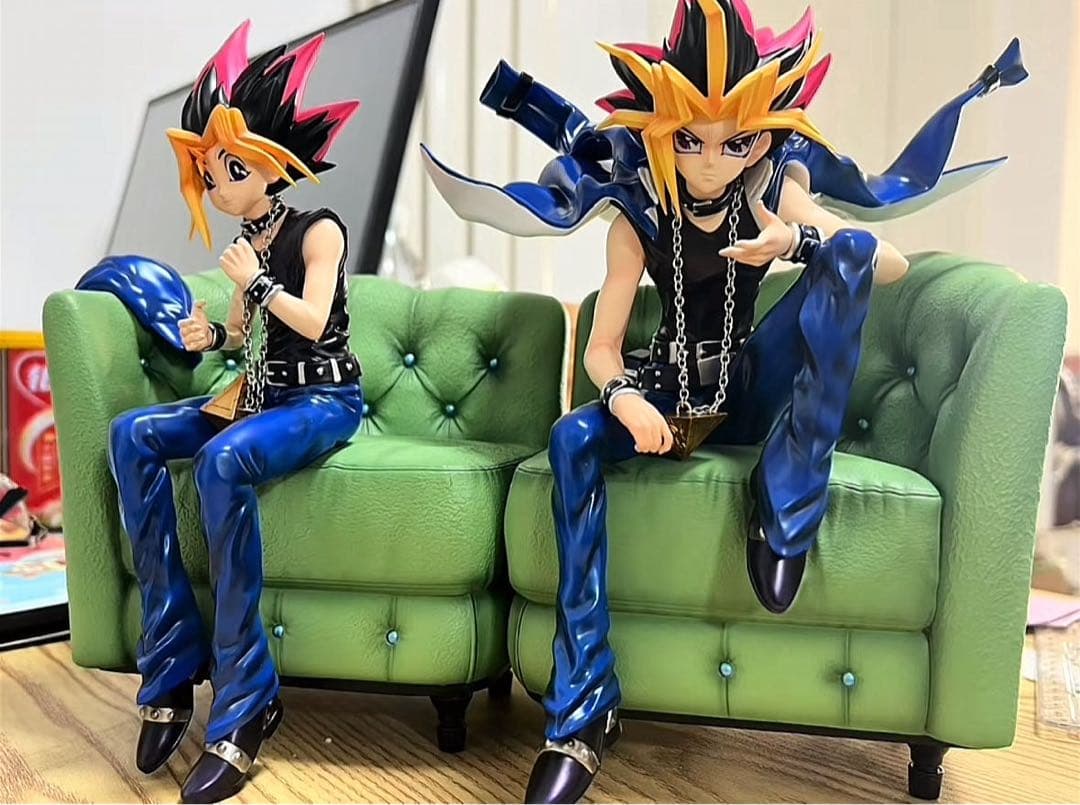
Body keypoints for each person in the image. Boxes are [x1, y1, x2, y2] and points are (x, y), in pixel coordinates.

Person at [421, 1, 1028, 801]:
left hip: (746, 386)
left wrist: (796, 240)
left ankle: (786, 499)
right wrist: (624, 398)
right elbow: (602, 346)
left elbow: (888, 265)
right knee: (571, 439)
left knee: (845, 252)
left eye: (734, 141)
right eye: (690, 139)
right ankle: (584, 709)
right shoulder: (637, 213)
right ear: (659, 131)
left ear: (763, 137)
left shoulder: (774, 189)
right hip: (667, 391)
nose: (711, 160)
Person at [101, 21, 361, 803]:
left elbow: (312, 318)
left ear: (275, 165)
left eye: (231, 169)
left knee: (223, 459)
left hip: (322, 397)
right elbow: (248, 332)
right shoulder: (251, 239)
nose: (215, 186)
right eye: (209, 172)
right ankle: (173, 650)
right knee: (132, 434)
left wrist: (254, 283)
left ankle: (247, 696)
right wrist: (211, 332)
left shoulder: (319, 231)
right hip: (258, 390)